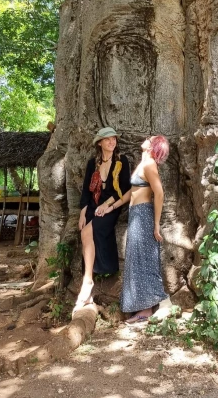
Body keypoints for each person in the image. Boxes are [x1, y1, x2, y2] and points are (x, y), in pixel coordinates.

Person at [104, 135, 170, 324]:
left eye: (150, 139)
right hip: (136, 214)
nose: (146, 139)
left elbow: (159, 193)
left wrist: (156, 224)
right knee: (136, 258)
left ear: (153, 146)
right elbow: (131, 192)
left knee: (143, 259)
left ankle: (147, 309)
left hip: (144, 215)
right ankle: (143, 307)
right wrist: (113, 206)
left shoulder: (149, 165)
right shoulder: (143, 164)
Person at [76, 127, 131, 309]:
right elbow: (86, 190)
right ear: (100, 143)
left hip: (110, 207)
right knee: (84, 232)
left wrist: (107, 206)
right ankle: (88, 282)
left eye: (114, 139)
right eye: (107, 140)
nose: (112, 142)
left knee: (87, 233)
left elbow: (123, 189)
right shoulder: (93, 163)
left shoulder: (121, 161)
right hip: (93, 206)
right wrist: (83, 213)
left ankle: (87, 282)